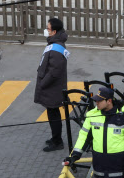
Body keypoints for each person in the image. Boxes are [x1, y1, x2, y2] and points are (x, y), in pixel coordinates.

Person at [66, 86, 124, 178]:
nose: (96, 103)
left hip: (119, 166)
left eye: (99, 101)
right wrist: (75, 155)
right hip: (99, 166)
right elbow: (83, 136)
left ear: (109, 101)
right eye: (96, 100)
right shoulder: (92, 115)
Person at [34, 18, 69, 152]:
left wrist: (43, 83)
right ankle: (55, 138)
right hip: (52, 88)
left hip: (52, 88)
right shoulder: (55, 43)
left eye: (48, 29)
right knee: (52, 113)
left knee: (54, 114)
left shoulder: (56, 49)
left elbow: (54, 71)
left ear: (54, 31)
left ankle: (57, 141)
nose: (46, 31)